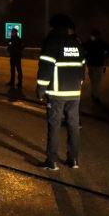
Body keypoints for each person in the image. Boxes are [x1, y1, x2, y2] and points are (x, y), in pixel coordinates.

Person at [37, 13, 87, 170]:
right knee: (73, 125)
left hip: (57, 93)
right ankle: (73, 160)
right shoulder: (77, 43)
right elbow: (82, 68)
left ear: (54, 26)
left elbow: (45, 67)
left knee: (54, 126)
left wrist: (41, 88)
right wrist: (78, 84)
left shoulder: (52, 41)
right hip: (74, 93)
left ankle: (51, 162)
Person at [82, 29, 109, 104]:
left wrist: (86, 57)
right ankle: (96, 95)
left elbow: (83, 49)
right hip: (98, 64)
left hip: (92, 64)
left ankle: (94, 94)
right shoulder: (102, 43)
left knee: (94, 81)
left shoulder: (89, 43)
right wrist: (104, 56)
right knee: (97, 81)